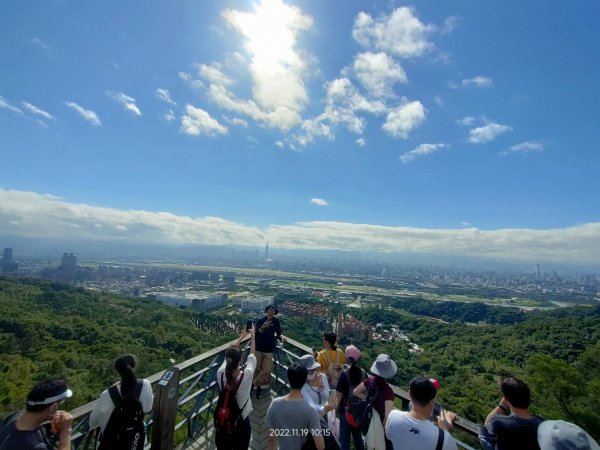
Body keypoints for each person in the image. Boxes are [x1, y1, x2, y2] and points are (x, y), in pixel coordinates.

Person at [89, 354, 153, 448]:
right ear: (134, 367)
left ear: (118, 371)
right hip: (135, 442)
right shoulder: (145, 385)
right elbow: (148, 408)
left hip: (112, 445)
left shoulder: (107, 394)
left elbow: (92, 422)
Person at [385, 377, 458, 450]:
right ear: (432, 402)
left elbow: (389, 436)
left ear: (410, 394)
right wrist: (445, 430)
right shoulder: (444, 438)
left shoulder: (393, 416)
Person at [0, 378, 73, 450]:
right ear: (53, 408)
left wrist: (51, 421)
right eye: (60, 403)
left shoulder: (14, 416)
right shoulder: (35, 446)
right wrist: (66, 431)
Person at [214, 326, 257, 450]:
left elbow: (230, 352)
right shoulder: (246, 375)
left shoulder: (220, 373)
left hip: (223, 423)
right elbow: (253, 355)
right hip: (240, 421)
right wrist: (252, 336)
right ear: (240, 360)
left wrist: (241, 337)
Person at [266, 363, 325, 450]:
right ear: (305, 380)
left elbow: (271, 438)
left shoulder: (275, 404)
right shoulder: (310, 410)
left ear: (288, 380)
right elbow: (320, 446)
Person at [480, 377, 543, 450]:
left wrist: (502, 406)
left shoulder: (499, 423)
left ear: (505, 398)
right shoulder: (542, 423)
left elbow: (485, 431)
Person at [353, 354, 397, 450]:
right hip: (380, 426)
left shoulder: (369, 381)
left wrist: (366, 399)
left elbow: (355, 392)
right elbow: (387, 417)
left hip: (369, 418)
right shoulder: (388, 392)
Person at [335, 345, 366, 450]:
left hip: (345, 411)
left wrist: (335, 411)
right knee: (359, 440)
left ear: (347, 358)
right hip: (359, 411)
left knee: (345, 441)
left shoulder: (344, 374)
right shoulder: (363, 374)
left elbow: (338, 396)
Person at [254, 304, 286, 398]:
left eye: (273, 309)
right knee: (257, 369)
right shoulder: (261, 320)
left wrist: (282, 337)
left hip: (269, 350)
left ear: (275, 312)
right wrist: (263, 327)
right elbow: (256, 333)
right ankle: (258, 389)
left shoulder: (276, 321)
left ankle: (252, 384)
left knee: (267, 370)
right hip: (259, 348)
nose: (272, 310)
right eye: (270, 309)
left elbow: (279, 333)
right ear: (267, 310)